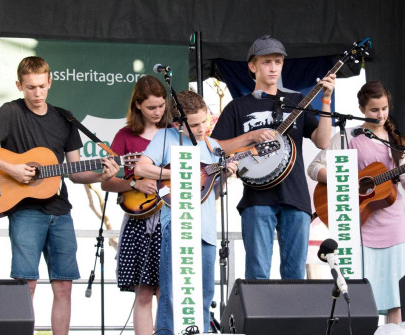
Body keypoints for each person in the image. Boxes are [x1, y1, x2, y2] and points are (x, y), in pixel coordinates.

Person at [0, 56, 119, 335]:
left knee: (64, 285)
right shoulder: (10, 112)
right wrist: (9, 167)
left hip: (60, 211)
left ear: (50, 82)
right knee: (26, 285)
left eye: (41, 86)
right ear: (19, 85)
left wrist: (102, 176)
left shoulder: (65, 118)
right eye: (30, 87)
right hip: (25, 211)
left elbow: (75, 171)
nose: (37, 93)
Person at [307, 81, 405, 323]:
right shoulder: (348, 137)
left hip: (393, 228)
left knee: (396, 296)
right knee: (360, 295)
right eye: (374, 110)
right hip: (359, 228)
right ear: (361, 108)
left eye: (384, 109)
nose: (381, 115)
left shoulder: (397, 140)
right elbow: (314, 168)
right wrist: (344, 180)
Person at [210, 35, 336, 280]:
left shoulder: (297, 100)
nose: (274, 67)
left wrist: (327, 100)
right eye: (267, 61)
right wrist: (250, 137)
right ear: (253, 66)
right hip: (257, 198)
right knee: (257, 274)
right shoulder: (238, 107)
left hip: (296, 195)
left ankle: (293, 320)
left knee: (295, 275)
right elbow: (215, 148)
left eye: (278, 61)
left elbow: (322, 141)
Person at [134, 90, 238, 333]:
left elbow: (211, 191)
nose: (202, 128)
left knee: (203, 294)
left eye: (205, 120)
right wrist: (180, 171)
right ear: (179, 125)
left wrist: (225, 175)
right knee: (171, 293)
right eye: (194, 124)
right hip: (177, 225)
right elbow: (142, 167)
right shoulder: (165, 137)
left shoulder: (212, 146)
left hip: (206, 229)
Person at [101, 75, 168, 335]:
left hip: (169, 218)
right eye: (151, 107)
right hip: (139, 219)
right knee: (143, 293)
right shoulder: (125, 136)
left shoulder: (173, 132)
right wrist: (133, 184)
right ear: (138, 105)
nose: (157, 112)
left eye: (161, 106)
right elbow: (107, 183)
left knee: (167, 289)